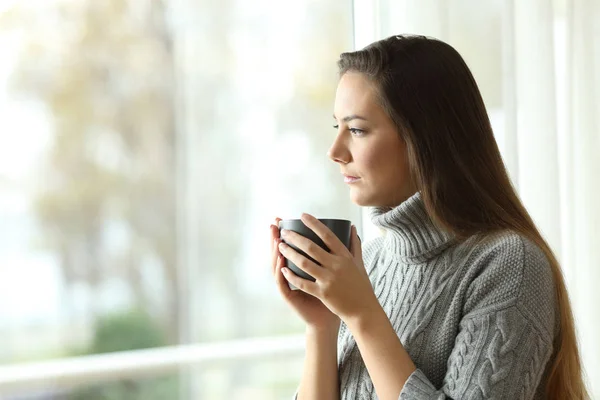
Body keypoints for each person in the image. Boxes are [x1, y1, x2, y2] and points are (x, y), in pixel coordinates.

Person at [268, 34, 588, 400]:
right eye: (336, 126)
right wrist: (321, 326)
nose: (335, 151)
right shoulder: (369, 261)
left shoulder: (510, 265)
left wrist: (362, 316)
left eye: (356, 129)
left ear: (424, 137)